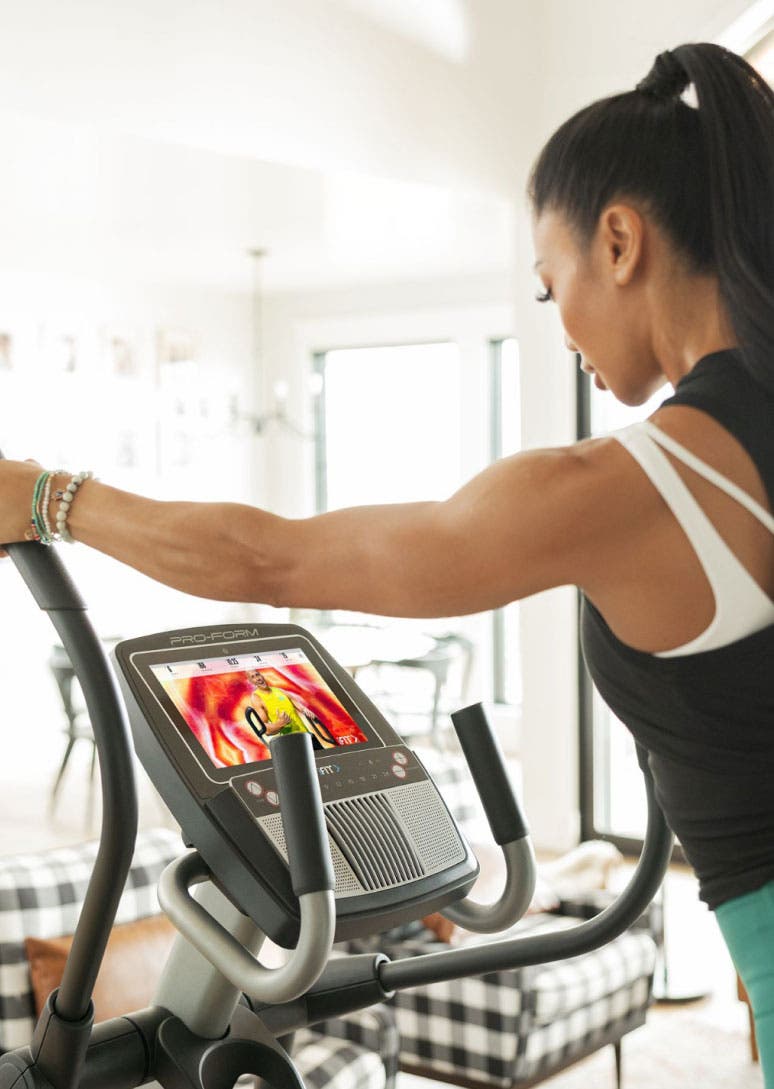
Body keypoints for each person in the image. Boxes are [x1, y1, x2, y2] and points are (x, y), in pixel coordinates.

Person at [0, 40, 772, 1083]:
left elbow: (269, 559)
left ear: (621, 241)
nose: (564, 335)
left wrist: (48, 498)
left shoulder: (627, 487)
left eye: (551, 291)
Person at [244, 668, 335, 749]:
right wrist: (280, 723)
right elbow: (266, 730)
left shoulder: (279, 691)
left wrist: (305, 710)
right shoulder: (257, 698)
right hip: (290, 743)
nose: (258, 678)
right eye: (253, 677)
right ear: (251, 681)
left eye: (257, 674)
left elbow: (297, 704)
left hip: (306, 736)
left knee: (324, 762)